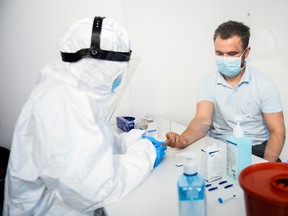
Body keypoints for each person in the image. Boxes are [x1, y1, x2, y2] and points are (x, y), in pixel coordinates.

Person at [3, 16, 167, 216]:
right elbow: (98, 187)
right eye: (119, 70)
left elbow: (96, 144)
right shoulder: (62, 104)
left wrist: (133, 140)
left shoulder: (72, 91)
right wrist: (146, 153)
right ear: (99, 65)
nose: (119, 77)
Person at [166, 20, 285, 162]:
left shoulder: (264, 84)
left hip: (256, 148)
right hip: (220, 147)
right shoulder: (208, 82)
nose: (225, 59)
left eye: (232, 53)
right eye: (219, 53)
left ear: (246, 52)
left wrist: (266, 168)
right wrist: (183, 139)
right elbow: (202, 120)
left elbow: (277, 131)